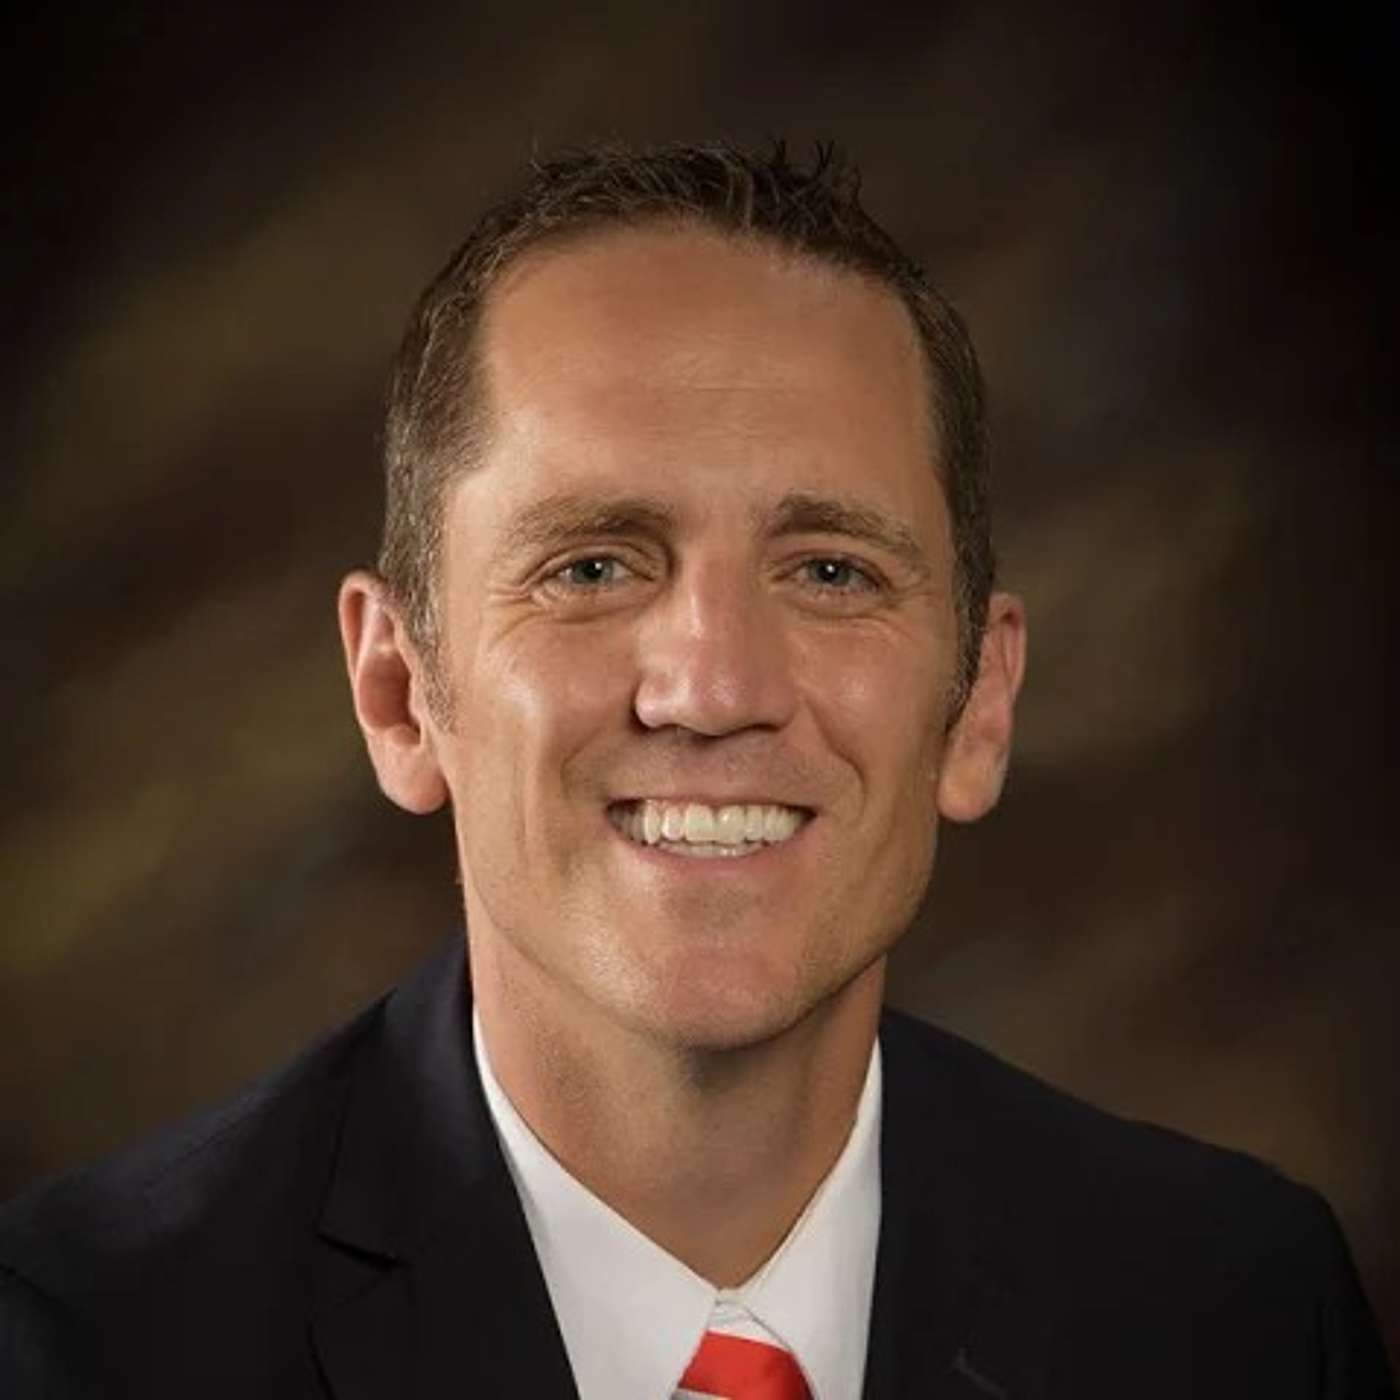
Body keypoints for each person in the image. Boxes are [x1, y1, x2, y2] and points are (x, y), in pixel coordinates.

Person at [0, 142, 1392, 1399]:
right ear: (399, 695)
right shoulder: (81, 1347)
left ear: (979, 705)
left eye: (831, 571)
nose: (715, 689)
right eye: (592, 566)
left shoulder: (1239, 1315)